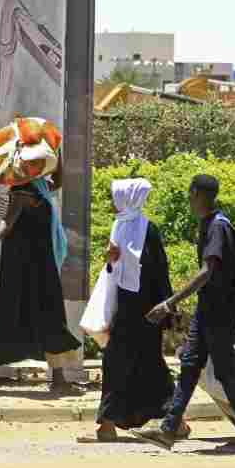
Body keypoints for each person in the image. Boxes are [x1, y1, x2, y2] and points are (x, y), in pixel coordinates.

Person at [132, 175, 235, 453]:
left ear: (196, 194)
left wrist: (170, 302)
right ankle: (168, 430)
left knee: (226, 372)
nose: (189, 199)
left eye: (190, 194)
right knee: (190, 366)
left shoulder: (217, 227)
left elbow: (208, 270)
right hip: (209, 310)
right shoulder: (211, 224)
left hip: (218, 312)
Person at [0, 173, 81, 393]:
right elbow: (8, 220)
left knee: (50, 314)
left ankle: (59, 378)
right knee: (7, 313)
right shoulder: (21, 189)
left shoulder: (41, 186)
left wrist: (54, 149)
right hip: (21, 266)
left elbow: (60, 179)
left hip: (41, 264)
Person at [79, 179, 179, 442]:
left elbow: (159, 273)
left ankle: (111, 423)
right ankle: (170, 421)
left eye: (116, 197)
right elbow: (116, 270)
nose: (113, 203)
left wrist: (166, 311)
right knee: (120, 363)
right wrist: (111, 260)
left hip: (147, 312)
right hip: (124, 309)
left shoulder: (150, 231)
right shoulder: (119, 226)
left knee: (148, 365)